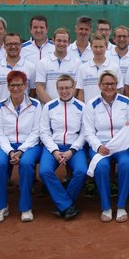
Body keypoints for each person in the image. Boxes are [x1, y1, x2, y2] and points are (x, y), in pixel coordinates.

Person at [83, 70, 129, 223]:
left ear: (117, 85)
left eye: (112, 83)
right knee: (102, 168)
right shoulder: (91, 105)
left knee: (126, 165)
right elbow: (88, 132)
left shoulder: (126, 101)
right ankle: (106, 207)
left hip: (122, 146)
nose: (109, 87)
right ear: (99, 85)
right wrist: (98, 146)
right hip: (101, 146)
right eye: (105, 84)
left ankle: (121, 206)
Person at [0, 70, 42, 223]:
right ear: (8, 87)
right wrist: (11, 150)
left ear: (26, 86)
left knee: (26, 164)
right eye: (12, 85)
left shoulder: (36, 104)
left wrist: (21, 150)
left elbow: (36, 132)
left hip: (30, 145)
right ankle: (0, 207)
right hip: (7, 146)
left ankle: (25, 207)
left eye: (19, 85)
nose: (16, 89)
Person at [39, 75, 87, 220]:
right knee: (44, 171)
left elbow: (85, 133)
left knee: (81, 171)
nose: (64, 91)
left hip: (74, 147)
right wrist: (54, 150)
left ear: (73, 88)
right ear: (57, 89)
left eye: (67, 88)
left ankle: (64, 204)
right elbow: (44, 132)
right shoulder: (49, 106)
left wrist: (72, 150)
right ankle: (67, 206)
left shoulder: (82, 107)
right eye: (61, 88)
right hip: (53, 146)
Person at [0, 33, 37, 105]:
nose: (13, 47)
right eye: (9, 44)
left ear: (21, 45)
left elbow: (33, 91)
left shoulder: (30, 67)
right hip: (2, 113)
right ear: (4, 46)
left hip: (24, 112)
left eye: (16, 44)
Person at [36, 28, 80, 104]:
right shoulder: (43, 62)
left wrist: (65, 104)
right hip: (49, 109)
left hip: (70, 108)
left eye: (65, 41)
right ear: (53, 40)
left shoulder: (77, 62)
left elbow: (76, 87)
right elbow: (39, 88)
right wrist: (53, 106)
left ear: (69, 42)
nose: (61, 44)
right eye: (59, 40)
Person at [75, 33, 123, 102]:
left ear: (106, 47)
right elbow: (81, 92)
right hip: (89, 110)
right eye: (95, 47)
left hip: (109, 110)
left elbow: (118, 90)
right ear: (91, 47)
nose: (98, 50)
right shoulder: (83, 68)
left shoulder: (115, 67)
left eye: (101, 46)